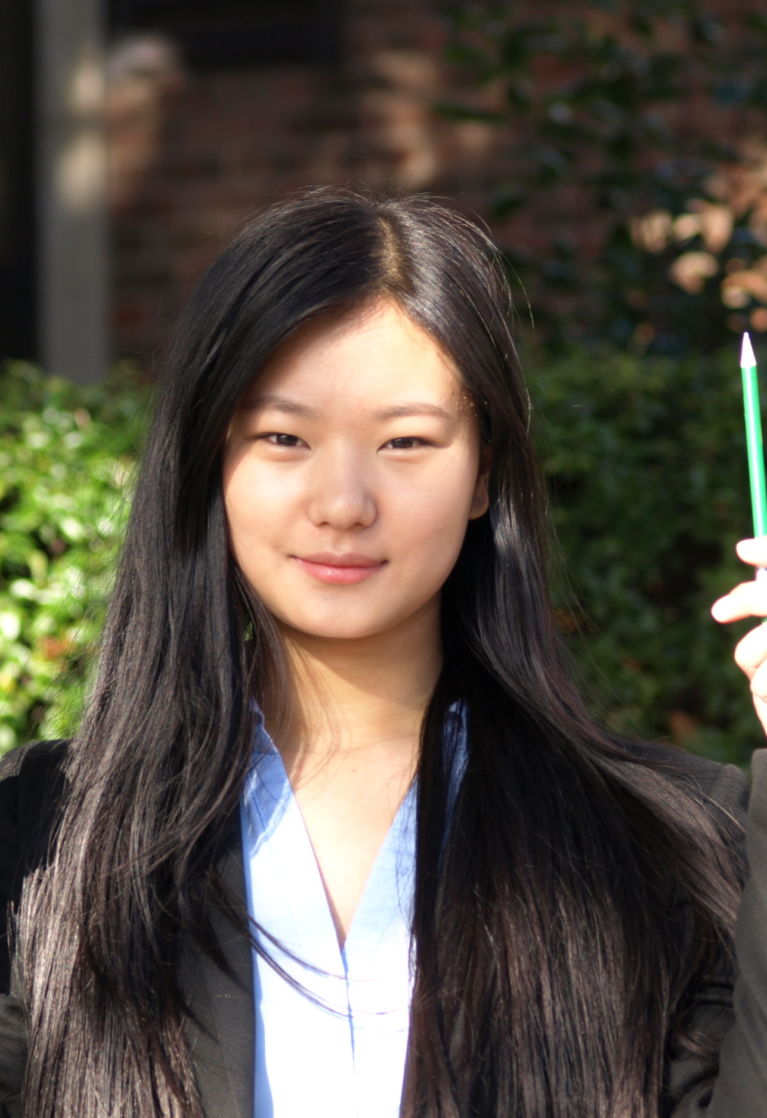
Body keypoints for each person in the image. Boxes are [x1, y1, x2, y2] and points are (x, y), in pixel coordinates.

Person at [0, 186, 764, 1118]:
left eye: (405, 441)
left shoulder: (663, 844)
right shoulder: (46, 844)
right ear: (210, 461)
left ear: (484, 471)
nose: (343, 502)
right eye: (283, 438)